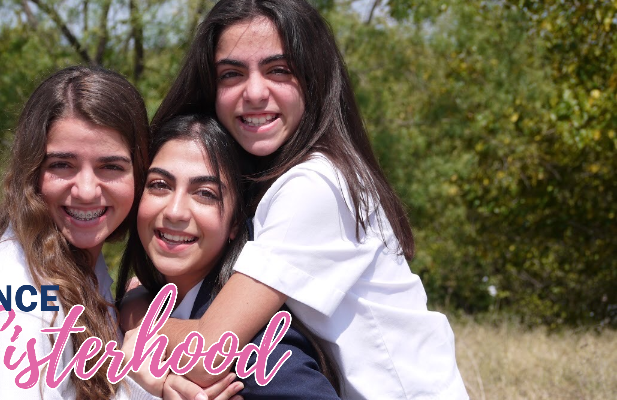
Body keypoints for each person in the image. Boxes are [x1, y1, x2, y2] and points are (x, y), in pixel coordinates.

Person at [137, 0, 469, 398]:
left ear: (314, 79)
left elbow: (211, 352)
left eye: (279, 70)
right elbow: (156, 284)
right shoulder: (266, 177)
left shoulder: (317, 185)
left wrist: (131, 339)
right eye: (231, 73)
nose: (255, 92)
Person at [0, 66, 239, 400]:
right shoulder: (10, 298)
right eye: (62, 165)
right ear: (32, 173)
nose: (86, 190)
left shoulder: (82, 271)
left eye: (111, 167)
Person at [117, 114, 342, 400]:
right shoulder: (143, 303)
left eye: (205, 194)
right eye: (160, 185)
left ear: (236, 222)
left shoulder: (257, 351)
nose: (175, 211)